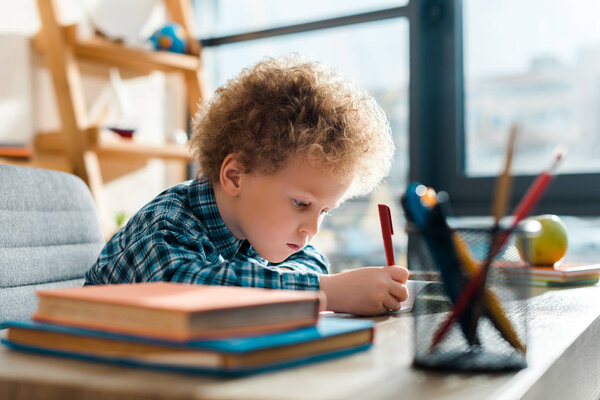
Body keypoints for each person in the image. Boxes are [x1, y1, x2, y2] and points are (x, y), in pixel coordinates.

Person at [84, 55, 408, 316]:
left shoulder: (259, 227)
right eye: (301, 204)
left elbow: (313, 261)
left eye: (324, 211)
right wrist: (327, 292)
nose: (311, 228)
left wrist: (317, 283)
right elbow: (188, 290)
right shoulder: (168, 224)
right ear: (235, 177)